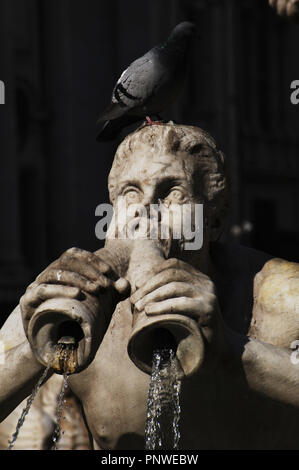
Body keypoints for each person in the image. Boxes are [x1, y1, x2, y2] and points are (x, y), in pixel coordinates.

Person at [1, 123, 299, 450]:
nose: (146, 211)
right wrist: (38, 347)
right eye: (131, 193)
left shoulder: (278, 293)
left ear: (214, 218)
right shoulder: (78, 297)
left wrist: (231, 351)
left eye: (172, 191)